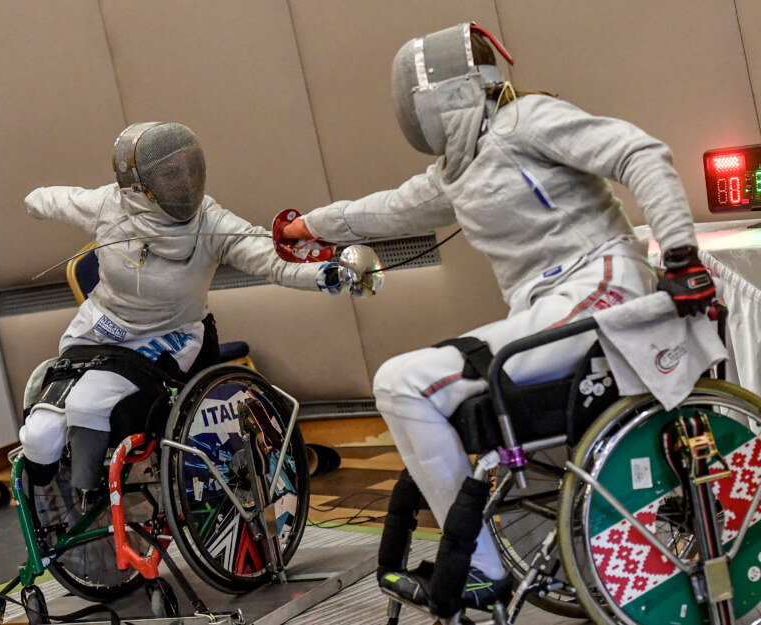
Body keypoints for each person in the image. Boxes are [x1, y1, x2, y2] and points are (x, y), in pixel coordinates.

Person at [280, 22, 716, 610]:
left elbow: (639, 151)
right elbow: (383, 211)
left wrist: (681, 254)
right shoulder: (457, 171)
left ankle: (482, 565)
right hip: (550, 311)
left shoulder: (527, 120)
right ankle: (513, 554)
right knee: (433, 392)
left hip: (600, 292)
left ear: (447, 96)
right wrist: (310, 226)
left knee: (401, 382)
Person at [20, 121, 342, 490]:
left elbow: (263, 253)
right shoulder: (110, 204)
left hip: (167, 337)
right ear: (139, 185)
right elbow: (54, 199)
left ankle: (89, 493)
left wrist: (322, 274)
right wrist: (34, 201)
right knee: (40, 435)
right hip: (97, 328)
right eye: (170, 175)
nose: (185, 183)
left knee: (87, 406)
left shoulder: (211, 222)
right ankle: (53, 490)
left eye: (188, 169)